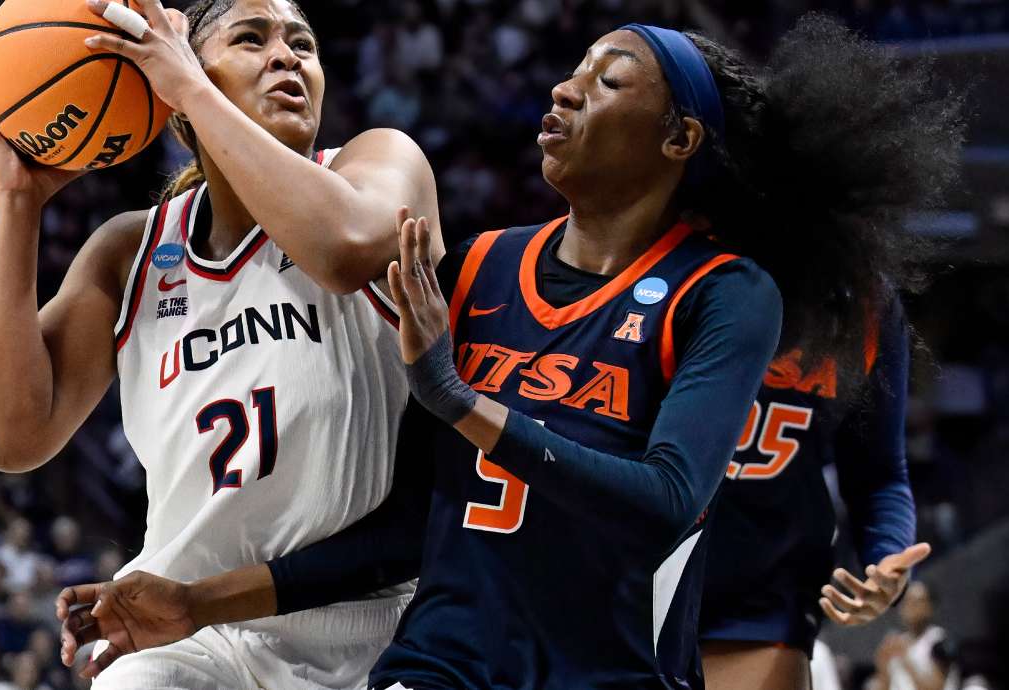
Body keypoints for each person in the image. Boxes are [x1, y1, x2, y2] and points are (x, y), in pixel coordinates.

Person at [57, 14, 966, 690]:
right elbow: (409, 520)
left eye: (606, 81)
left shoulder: (727, 292)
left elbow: (667, 503)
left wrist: (460, 400)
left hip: (616, 662)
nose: (564, 90)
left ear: (679, 138)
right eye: (571, 72)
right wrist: (194, 601)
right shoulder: (485, 266)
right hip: (443, 660)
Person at [0, 0, 440, 688]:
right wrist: (16, 203)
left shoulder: (377, 166)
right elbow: (10, 438)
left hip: (370, 622)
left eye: (302, 43)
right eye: (252, 38)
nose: (287, 56)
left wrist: (187, 87)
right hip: (187, 629)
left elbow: (343, 255)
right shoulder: (132, 252)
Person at [698, 16, 963, 689]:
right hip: (626, 580)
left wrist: (885, 564)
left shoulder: (866, 305)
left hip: (765, 599)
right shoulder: (679, 273)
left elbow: (880, 473)